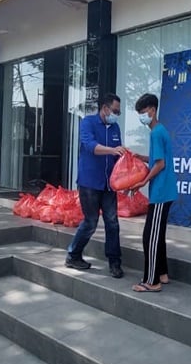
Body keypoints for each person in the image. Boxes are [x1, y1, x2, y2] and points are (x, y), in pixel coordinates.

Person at [65, 93, 126, 278]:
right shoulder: (88, 123)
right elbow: (91, 146)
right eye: (115, 111)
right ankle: (73, 255)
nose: (117, 114)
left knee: (113, 223)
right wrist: (112, 150)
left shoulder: (115, 128)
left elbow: (118, 156)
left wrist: (127, 171)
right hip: (90, 183)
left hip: (109, 186)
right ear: (105, 108)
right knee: (90, 222)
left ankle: (115, 263)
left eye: (119, 111)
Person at [131, 93, 178, 293]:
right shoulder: (160, 131)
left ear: (152, 109)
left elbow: (160, 164)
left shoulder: (156, 133)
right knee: (157, 235)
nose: (142, 117)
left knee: (149, 236)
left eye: (143, 113)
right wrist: (140, 157)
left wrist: (142, 181)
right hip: (165, 191)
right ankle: (163, 274)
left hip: (160, 192)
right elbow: (157, 158)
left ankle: (151, 281)